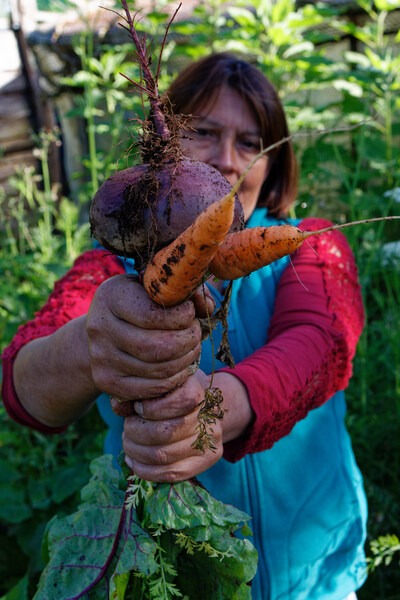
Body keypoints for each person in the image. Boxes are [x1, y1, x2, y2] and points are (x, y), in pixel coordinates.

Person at [1, 52, 367, 599]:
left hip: (314, 576)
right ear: (167, 148)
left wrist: (212, 412)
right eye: (205, 133)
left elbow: (318, 345)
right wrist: (89, 345)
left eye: (248, 143)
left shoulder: (307, 244)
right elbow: (21, 385)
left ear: (273, 164)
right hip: (168, 572)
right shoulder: (109, 273)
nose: (224, 159)